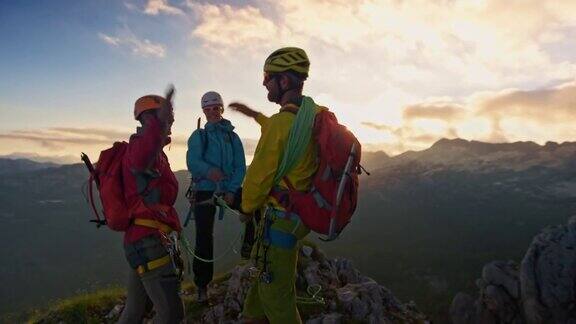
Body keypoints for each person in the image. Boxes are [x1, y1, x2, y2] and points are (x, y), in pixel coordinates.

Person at [229, 47, 326, 324]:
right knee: (262, 291)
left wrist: (246, 209)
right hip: (298, 216)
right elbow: (282, 129)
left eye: (268, 76)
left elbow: (257, 179)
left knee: (278, 299)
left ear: (284, 81)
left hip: (279, 221)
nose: (263, 82)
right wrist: (255, 115)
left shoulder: (281, 125)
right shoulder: (312, 115)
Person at [118, 87, 184, 324]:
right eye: (168, 119)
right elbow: (139, 160)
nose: (172, 123)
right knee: (171, 315)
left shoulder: (154, 152)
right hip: (148, 240)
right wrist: (158, 124)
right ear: (149, 119)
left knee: (135, 310)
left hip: (144, 240)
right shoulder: (139, 147)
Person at [186, 91, 246, 302]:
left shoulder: (232, 137)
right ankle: (202, 286)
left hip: (228, 188)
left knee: (255, 207)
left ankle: (251, 256)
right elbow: (193, 162)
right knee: (204, 237)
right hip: (205, 189)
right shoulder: (199, 136)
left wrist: (231, 190)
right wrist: (210, 172)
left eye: (215, 108)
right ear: (203, 111)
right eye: (207, 109)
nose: (211, 113)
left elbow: (240, 166)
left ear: (221, 109)